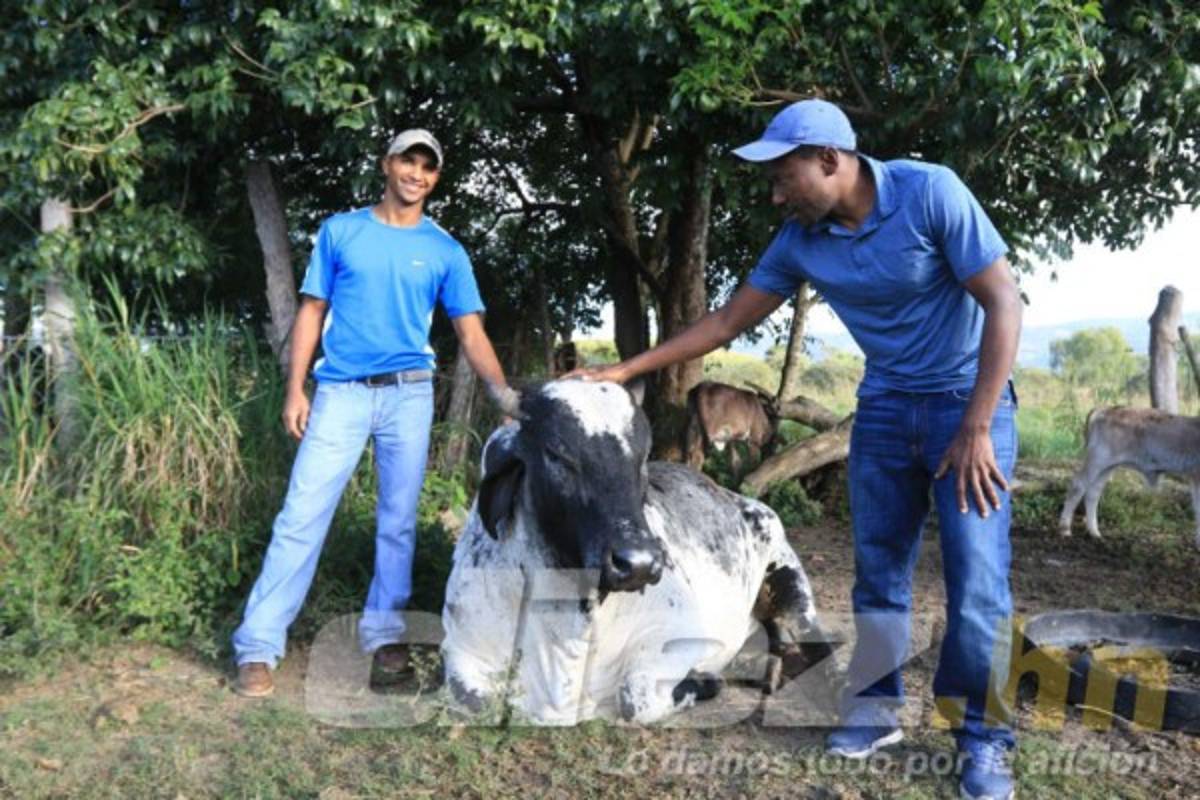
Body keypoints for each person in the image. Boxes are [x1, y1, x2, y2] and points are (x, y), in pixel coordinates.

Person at [572, 100, 1022, 800]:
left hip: (969, 408)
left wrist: (976, 425)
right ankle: (873, 712)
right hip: (882, 413)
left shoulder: (929, 192)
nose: (776, 195)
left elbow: (1003, 301)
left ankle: (983, 740)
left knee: (977, 585)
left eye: (785, 177)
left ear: (830, 160)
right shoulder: (799, 239)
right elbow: (725, 321)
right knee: (878, 576)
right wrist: (624, 370)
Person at [233, 129, 509, 699]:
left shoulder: (445, 251)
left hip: (409, 396)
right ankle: (258, 646)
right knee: (301, 513)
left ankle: (385, 636)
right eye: (408, 161)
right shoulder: (342, 232)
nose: (416, 174)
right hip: (341, 393)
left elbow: (470, 331)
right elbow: (312, 313)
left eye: (427, 167)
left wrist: (504, 396)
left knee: (398, 522)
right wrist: (296, 388)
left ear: (435, 178)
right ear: (387, 165)